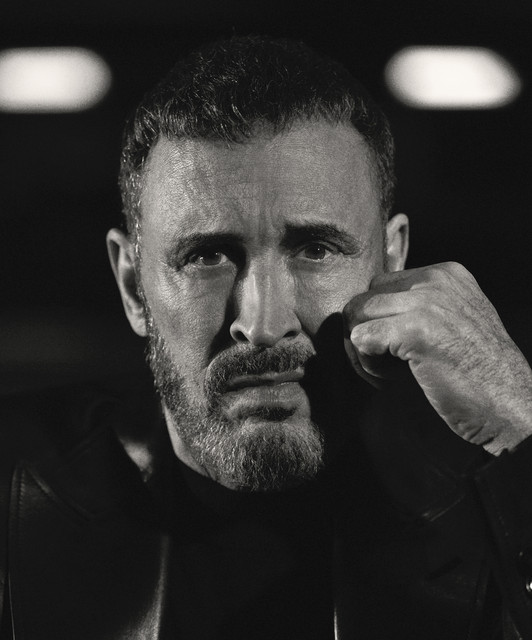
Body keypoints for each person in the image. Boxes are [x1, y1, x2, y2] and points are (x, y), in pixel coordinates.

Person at [2, 35, 532, 640]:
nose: (261, 324)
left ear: (392, 261)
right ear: (132, 286)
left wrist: (522, 427)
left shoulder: (496, 494)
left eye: (315, 250)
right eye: (206, 256)